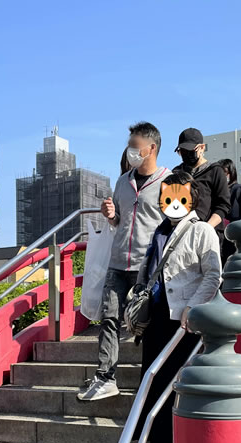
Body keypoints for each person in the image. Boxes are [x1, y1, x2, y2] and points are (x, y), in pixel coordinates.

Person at [133, 171, 222, 443]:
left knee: (174, 383)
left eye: (178, 197)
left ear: (191, 199)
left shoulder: (202, 231)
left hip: (182, 318)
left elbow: (213, 274)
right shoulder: (160, 230)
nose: (171, 203)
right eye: (166, 197)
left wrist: (193, 307)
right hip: (158, 315)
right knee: (153, 381)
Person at [78, 122, 171, 401]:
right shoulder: (122, 181)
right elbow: (118, 222)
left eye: (135, 146)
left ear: (151, 148)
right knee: (109, 318)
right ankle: (105, 376)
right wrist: (110, 215)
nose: (130, 151)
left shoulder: (169, 181)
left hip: (148, 266)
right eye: (129, 146)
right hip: (118, 262)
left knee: (147, 326)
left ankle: (151, 380)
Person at [172, 128, 231, 235]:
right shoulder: (176, 173)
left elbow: (223, 205)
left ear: (202, 148)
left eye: (190, 151)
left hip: (209, 233)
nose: (186, 155)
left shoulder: (215, 171)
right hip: (180, 232)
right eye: (182, 151)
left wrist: (207, 227)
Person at [215, 158, 241, 262]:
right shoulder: (215, 193)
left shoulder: (240, 189)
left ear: (231, 173)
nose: (223, 177)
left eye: (225, 173)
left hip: (235, 237)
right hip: (219, 237)